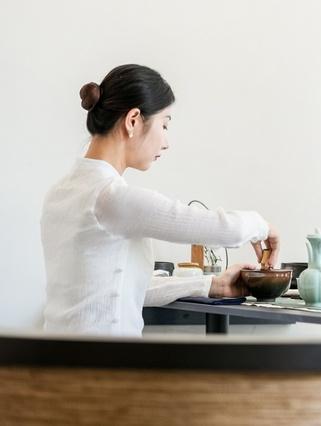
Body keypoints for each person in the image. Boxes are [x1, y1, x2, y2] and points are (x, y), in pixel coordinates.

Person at [41, 64, 279, 337]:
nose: (166, 142)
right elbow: (224, 229)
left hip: (58, 357)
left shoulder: (60, 193)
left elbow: (120, 289)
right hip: (105, 362)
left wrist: (212, 285)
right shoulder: (110, 198)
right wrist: (264, 227)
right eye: (164, 125)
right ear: (133, 120)